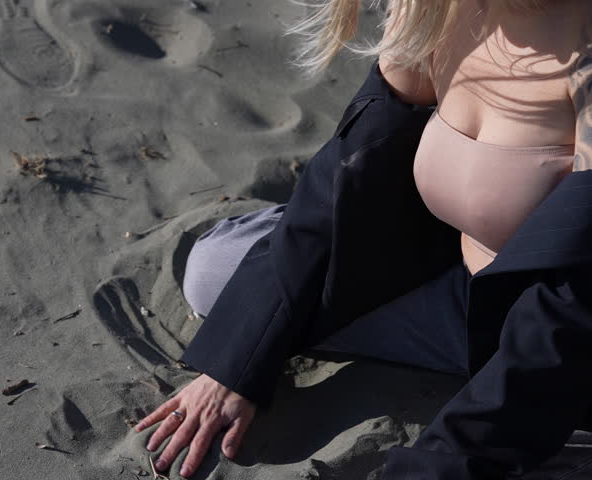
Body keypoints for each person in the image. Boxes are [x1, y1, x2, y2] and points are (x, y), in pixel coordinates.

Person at [133, 0, 592, 478]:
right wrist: (240, 359)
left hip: (562, 331)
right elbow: (353, 171)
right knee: (217, 271)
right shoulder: (443, 9)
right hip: (461, 294)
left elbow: (567, 314)